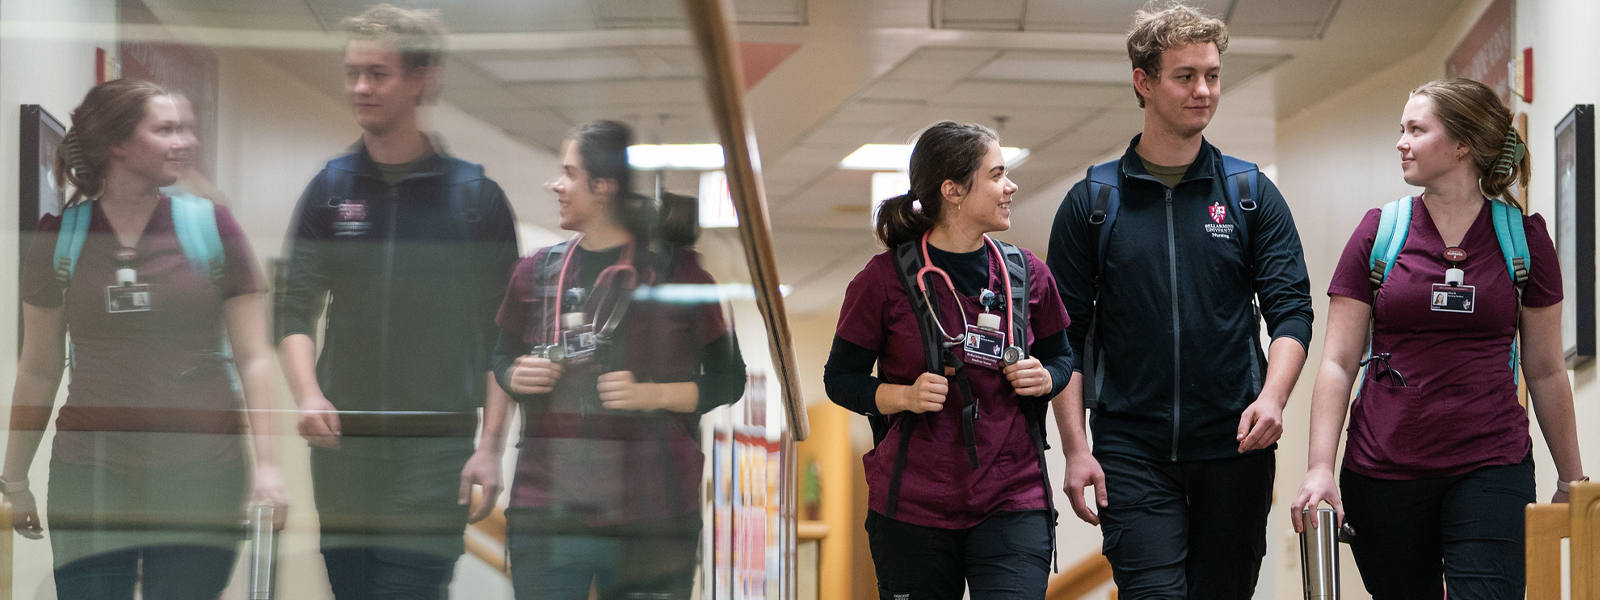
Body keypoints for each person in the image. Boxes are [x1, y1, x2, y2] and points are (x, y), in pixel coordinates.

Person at [1045, 5, 1314, 598]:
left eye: (1212, 75)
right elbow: (1063, 339)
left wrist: (1272, 398)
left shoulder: (1249, 195)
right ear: (1143, 81)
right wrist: (1075, 448)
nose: (1204, 90)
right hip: (1130, 448)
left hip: (1235, 444)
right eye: (1185, 76)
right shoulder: (1093, 201)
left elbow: (1291, 310)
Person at [1289, 78, 1586, 599]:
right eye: (1400, 129)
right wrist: (1319, 467)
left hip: (1491, 462)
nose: (1401, 142)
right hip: (1383, 471)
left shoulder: (1523, 239)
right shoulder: (1380, 232)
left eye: (1416, 130)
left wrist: (1572, 479)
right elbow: (1336, 362)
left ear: (1462, 144)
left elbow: (1544, 369)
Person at [2, 78, 287, 598]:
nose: (185, 141)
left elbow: (253, 359)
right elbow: (39, 367)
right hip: (91, 476)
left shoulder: (211, 228)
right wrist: (14, 480)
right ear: (117, 143)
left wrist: (267, 467)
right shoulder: (58, 238)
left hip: (201, 475)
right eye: (166, 129)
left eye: (186, 129)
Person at [273, 4, 519, 597]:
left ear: (422, 80)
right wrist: (307, 394)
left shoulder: (475, 200)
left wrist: (490, 448)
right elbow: (292, 309)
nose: (360, 87)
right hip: (343, 450)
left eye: (377, 74)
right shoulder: (329, 192)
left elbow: (506, 336)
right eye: (353, 72)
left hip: (436, 451)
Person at [489, 120, 746, 600]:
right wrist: (516, 373)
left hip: (652, 514)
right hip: (549, 510)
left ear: (603, 187)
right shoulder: (533, 272)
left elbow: (730, 379)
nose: (556, 185)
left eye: (568, 173)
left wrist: (652, 394)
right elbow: (501, 354)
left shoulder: (679, 274)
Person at [823, 121, 1073, 600]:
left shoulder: (1026, 274)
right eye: (997, 174)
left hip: (1013, 497)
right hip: (914, 503)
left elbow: (1061, 356)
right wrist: (902, 395)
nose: (1011, 186)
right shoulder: (882, 281)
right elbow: (840, 379)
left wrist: (1045, 377)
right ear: (953, 190)